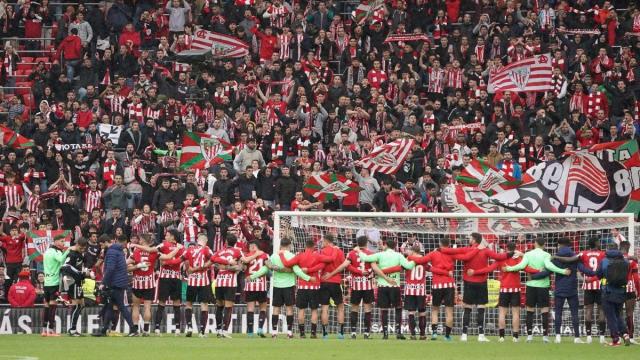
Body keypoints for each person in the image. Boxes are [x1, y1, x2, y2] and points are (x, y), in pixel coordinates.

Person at [439, 232, 511, 342]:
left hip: (469, 282)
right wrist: (510, 254)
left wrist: (440, 250)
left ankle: (464, 335)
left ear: (475, 240)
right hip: (481, 282)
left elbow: (452, 251)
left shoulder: (467, 249)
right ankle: (481, 335)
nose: (469, 239)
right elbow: (499, 257)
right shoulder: (485, 250)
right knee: (481, 308)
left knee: (467, 308)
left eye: (470, 238)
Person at [468, 242, 542, 342]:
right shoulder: (518, 259)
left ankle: (501, 337)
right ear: (515, 248)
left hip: (504, 288)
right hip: (515, 288)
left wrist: (475, 272)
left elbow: (489, 269)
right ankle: (515, 337)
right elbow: (527, 268)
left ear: (506, 248)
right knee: (515, 313)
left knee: (502, 313)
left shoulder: (501, 259)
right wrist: (538, 270)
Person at [504, 237, 571, 343]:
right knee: (544, 310)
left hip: (530, 285)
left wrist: (509, 268)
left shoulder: (528, 254)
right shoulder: (546, 255)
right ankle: (545, 337)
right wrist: (562, 271)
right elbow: (549, 266)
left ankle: (529, 336)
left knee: (529, 310)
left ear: (535, 244)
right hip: (543, 286)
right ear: (544, 245)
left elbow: (521, 266)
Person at [250, 237, 314, 338]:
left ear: (280, 245)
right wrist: (308, 278)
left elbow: (265, 269)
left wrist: (252, 276)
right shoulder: (292, 256)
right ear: (289, 245)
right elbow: (297, 271)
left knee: (276, 309)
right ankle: (289, 332)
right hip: (288, 286)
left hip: (276, 285)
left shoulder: (274, 256)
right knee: (289, 309)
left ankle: (274, 332)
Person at [131, 229, 184, 335]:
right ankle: (155, 328)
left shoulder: (180, 247)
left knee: (176, 302)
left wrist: (170, 262)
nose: (165, 236)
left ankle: (177, 328)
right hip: (161, 279)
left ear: (173, 236)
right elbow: (165, 259)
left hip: (173, 277)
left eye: (168, 235)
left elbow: (180, 260)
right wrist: (173, 261)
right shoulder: (165, 246)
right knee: (158, 303)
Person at [359, 238, 414, 340]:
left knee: (384, 310)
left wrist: (358, 250)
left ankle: (385, 334)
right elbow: (408, 266)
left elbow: (365, 258)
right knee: (398, 308)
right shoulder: (398, 255)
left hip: (382, 286)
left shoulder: (380, 254)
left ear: (386, 245)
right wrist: (415, 259)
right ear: (394, 247)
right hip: (394, 286)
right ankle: (398, 332)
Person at [323, 236, 375, 339]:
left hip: (356, 285)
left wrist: (331, 273)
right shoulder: (370, 254)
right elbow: (374, 268)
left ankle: (353, 332)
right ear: (366, 243)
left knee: (354, 308)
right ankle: (366, 333)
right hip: (368, 285)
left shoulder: (351, 253)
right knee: (367, 309)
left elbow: (345, 265)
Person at [279, 239, 326, 338]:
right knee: (314, 310)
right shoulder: (317, 255)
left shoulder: (300, 255)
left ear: (305, 246)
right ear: (314, 247)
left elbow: (287, 264)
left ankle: (302, 333)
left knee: (301, 310)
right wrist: (311, 269)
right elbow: (325, 263)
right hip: (315, 286)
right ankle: (313, 333)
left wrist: (281, 255)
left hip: (302, 286)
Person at [94, 235, 138, 337]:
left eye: (101, 245)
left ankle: (133, 329)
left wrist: (103, 283)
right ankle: (104, 330)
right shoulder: (118, 251)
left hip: (115, 283)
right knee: (110, 306)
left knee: (121, 307)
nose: (101, 247)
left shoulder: (111, 252)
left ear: (105, 242)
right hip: (120, 281)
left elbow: (110, 269)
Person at [596, 242, 631, 346]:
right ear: (618, 249)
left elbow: (598, 275)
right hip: (621, 292)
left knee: (611, 316)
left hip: (608, 291)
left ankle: (616, 339)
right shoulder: (625, 261)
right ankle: (625, 334)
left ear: (608, 248)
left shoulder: (604, 261)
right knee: (618, 314)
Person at [210, 233, 244, 338]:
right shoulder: (238, 251)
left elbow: (214, 263)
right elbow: (240, 268)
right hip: (230, 282)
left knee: (219, 306)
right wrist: (230, 265)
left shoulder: (219, 252)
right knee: (228, 307)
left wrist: (223, 267)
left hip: (219, 282)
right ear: (235, 243)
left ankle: (218, 330)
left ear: (225, 242)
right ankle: (224, 331)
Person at [182, 234, 215, 338]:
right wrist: (203, 266)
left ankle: (190, 327)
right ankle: (201, 332)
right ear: (205, 241)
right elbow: (213, 259)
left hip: (192, 280)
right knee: (204, 305)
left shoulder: (189, 249)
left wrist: (190, 269)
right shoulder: (207, 249)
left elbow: (184, 260)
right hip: (203, 281)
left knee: (188, 304)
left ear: (197, 240)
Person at [317, 234, 346, 339]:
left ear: (326, 241)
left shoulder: (322, 252)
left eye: (322, 241)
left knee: (325, 307)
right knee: (340, 307)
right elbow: (344, 265)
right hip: (335, 282)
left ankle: (325, 334)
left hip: (324, 281)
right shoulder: (339, 251)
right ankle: (341, 333)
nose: (322, 243)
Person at [41, 235, 71, 336]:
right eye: (62, 241)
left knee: (46, 306)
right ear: (56, 242)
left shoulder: (47, 251)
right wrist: (68, 250)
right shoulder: (56, 251)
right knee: (53, 306)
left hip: (46, 282)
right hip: (54, 282)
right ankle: (51, 330)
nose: (63, 244)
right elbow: (61, 259)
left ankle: (44, 330)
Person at [60, 237, 89, 336]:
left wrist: (86, 271)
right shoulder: (71, 254)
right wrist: (80, 272)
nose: (82, 250)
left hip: (79, 281)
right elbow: (65, 266)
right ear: (77, 245)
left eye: (83, 248)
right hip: (72, 281)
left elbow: (84, 263)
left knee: (81, 304)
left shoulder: (80, 253)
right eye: (81, 248)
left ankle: (73, 328)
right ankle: (72, 330)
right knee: (77, 304)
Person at [241, 242, 269, 337]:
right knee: (263, 308)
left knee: (250, 309)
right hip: (261, 285)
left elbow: (243, 269)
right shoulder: (265, 255)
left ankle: (250, 332)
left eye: (249, 247)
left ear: (253, 247)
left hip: (250, 286)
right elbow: (269, 268)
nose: (249, 248)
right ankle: (260, 329)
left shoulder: (247, 256)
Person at [620, 241, 640, 345]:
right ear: (628, 248)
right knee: (629, 313)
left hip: (617, 288)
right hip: (629, 288)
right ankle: (631, 337)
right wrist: (639, 291)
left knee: (617, 313)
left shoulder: (614, 260)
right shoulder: (632, 261)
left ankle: (619, 336)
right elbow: (636, 278)